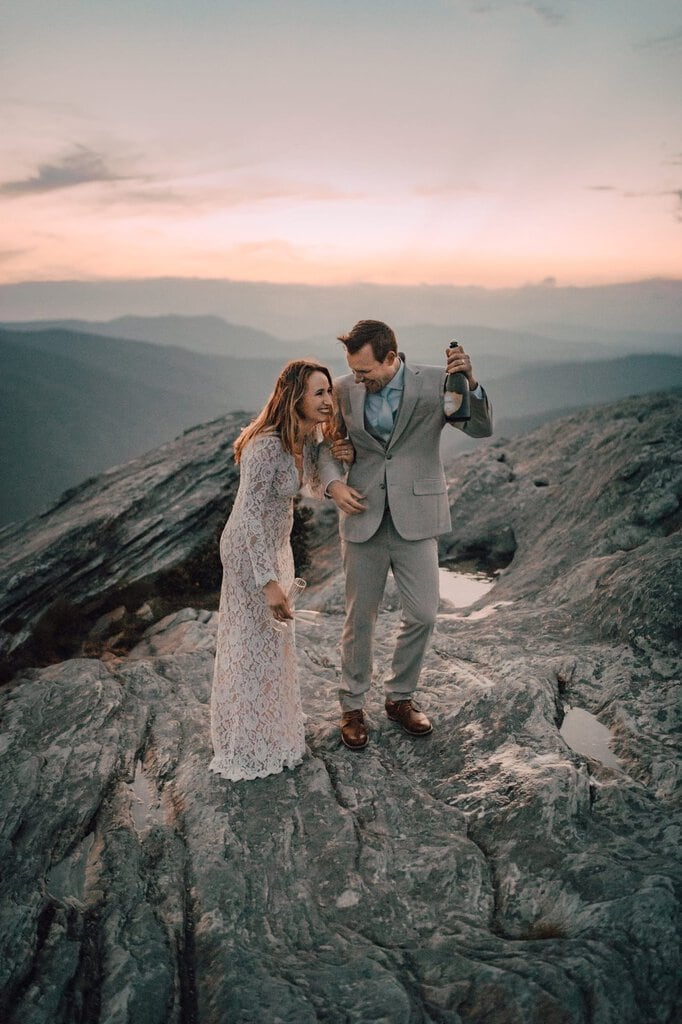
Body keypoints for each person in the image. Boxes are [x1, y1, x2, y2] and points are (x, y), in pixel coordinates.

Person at [319, 320, 493, 750]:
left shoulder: (437, 382)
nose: (357, 379)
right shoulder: (342, 389)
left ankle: (399, 697)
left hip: (417, 517)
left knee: (424, 614)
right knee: (360, 618)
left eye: (365, 371)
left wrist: (470, 383)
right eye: (353, 371)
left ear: (391, 358)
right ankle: (352, 706)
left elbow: (479, 429)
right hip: (363, 515)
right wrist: (333, 482)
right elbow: (326, 445)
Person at [209, 359, 348, 781]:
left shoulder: (305, 438)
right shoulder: (266, 445)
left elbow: (312, 487)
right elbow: (250, 516)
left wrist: (337, 455)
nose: (328, 400)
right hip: (248, 552)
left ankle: (271, 728)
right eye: (318, 392)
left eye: (329, 391)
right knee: (252, 641)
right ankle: (246, 742)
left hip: (277, 547)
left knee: (274, 641)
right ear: (295, 397)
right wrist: (268, 582)